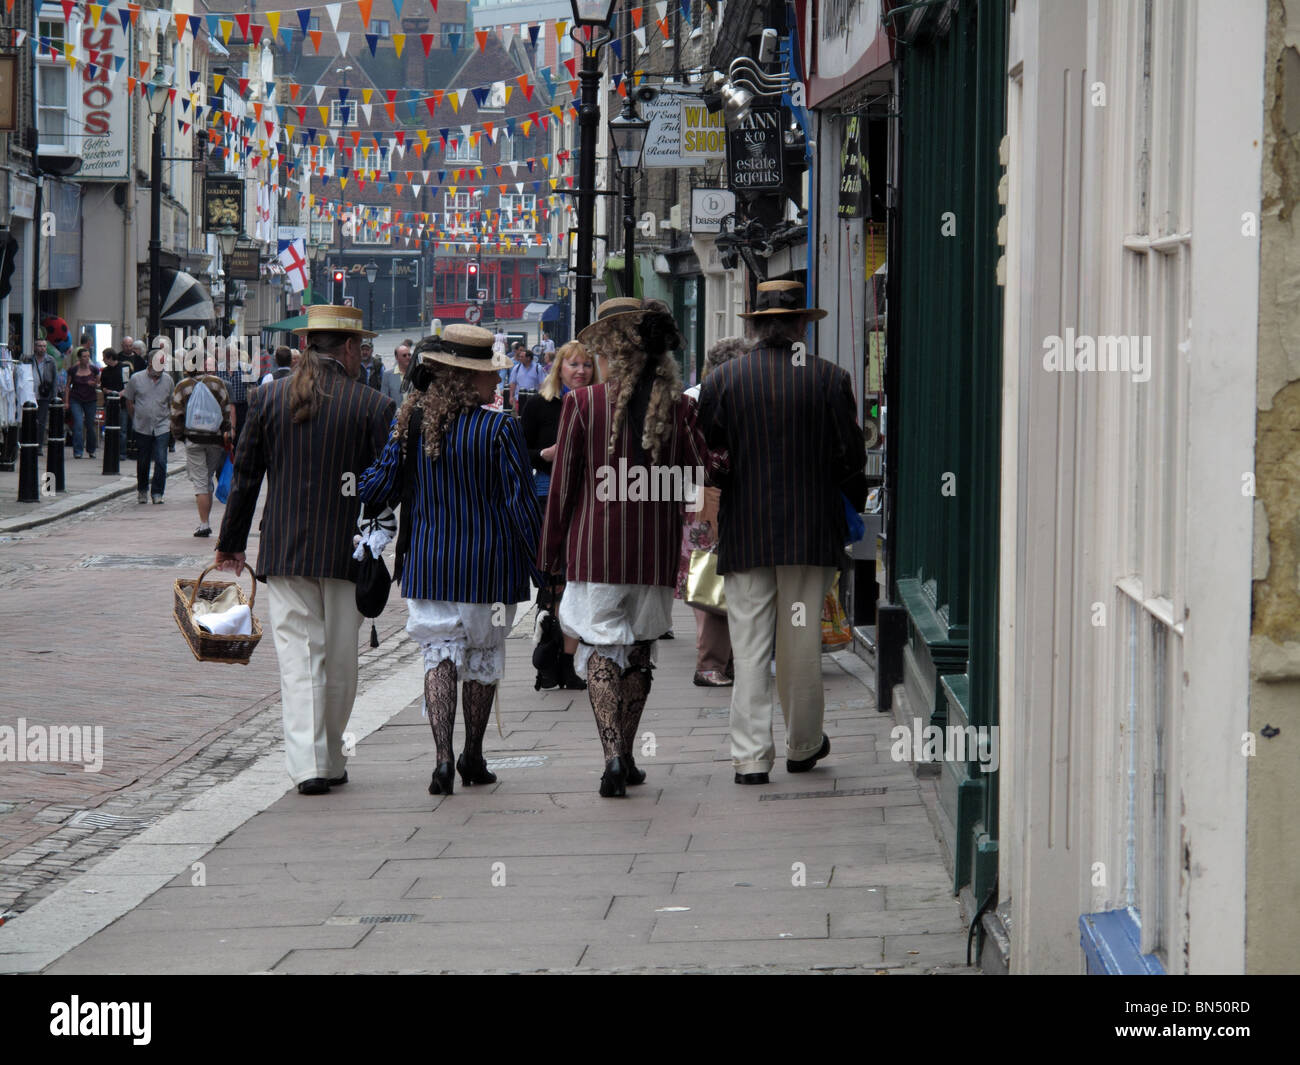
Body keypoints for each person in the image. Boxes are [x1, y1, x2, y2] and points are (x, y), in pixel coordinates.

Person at [538, 298, 723, 797]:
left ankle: (613, 756)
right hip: (653, 551)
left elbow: (564, 487)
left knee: (600, 645)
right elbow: (699, 475)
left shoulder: (583, 404)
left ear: (614, 357)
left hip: (594, 548)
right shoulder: (682, 408)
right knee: (639, 650)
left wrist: (549, 552)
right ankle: (628, 751)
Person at [215, 305, 394, 796]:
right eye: (362, 347)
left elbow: (246, 478)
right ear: (351, 348)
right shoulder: (372, 405)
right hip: (348, 550)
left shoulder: (268, 399)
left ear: (306, 347)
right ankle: (330, 755)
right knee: (340, 660)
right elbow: (386, 485)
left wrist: (231, 543)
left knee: (299, 659)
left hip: (286, 549)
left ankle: (311, 762)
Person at [697, 281, 869, 786]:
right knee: (800, 644)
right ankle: (803, 745)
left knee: (748, 646)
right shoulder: (829, 379)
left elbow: (712, 460)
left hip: (748, 533)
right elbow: (851, 460)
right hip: (811, 534)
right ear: (800, 326)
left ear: (752, 326)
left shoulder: (724, 380)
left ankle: (751, 758)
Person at [359, 326, 540, 797]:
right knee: (482, 657)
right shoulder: (500, 427)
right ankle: (472, 756)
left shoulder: (412, 425)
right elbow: (520, 503)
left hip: (429, 563)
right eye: (487, 376)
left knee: (438, 656)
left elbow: (376, 488)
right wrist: (544, 566)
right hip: (489, 567)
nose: (495, 384)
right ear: (466, 379)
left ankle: (441, 760)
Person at [521, 340, 597, 690]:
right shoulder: (540, 405)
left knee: (576, 582)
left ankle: (569, 661)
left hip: (587, 500)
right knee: (552, 583)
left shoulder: (599, 404)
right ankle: (548, 659)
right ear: (559, 369)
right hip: (547, 498)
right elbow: (521, 454)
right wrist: (545, 455)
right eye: (574, 365)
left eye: (587, 365)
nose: (581, 371)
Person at [677, 337, 747, 686]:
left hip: (709, 493)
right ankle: (711, 663)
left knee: (720, 576)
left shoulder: (701, 396)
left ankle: (724, 660)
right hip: (707, 492)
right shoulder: (701, 398)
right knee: (710, 574)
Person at [170, 354, 235, 537]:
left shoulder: (182, 386)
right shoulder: (217, 383)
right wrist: (227, 432)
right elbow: (226, 410)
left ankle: (204, 523)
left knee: (200, 482)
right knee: (207, 479)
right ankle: (205, 521)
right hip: (215, 440)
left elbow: (176, 415)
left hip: (193, 440)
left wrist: (180, 436)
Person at [124, 351, 174, 503]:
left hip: (162, 425)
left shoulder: (168, 380)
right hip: (142, 426)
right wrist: (136, 418)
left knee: (161, 460)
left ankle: (157, 492)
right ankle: (142, 490)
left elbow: (171, 402)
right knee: (143, 460)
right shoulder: (136, 379)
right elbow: (129, 401)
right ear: (150, 363)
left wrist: (171, 420)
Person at [64, 346, 100, 459]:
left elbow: (98, 383)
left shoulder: (94, 369)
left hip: (90, 399)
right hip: (76, 399)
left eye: (88, 356)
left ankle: (91, 449)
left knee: (90, 425)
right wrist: (66, 402)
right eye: (84, 356)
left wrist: (94, 384)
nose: (87, 358)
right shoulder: (73, 370)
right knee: (78, 424)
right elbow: (67, 386)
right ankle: (78, 450)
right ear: (79, 358)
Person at [25, 339, 57, 456]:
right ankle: (27, 443)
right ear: (35, 347)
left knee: (41, 422)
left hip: (44, 395)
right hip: (29, 394)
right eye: (40, 346)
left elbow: (54, 380)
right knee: (28, 420)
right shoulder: (28, 359)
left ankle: (38, 446)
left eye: (44, 346)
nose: (42, 348)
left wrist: (54, 397)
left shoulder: (51, 361)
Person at [219, 341, 250, 453]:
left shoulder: (244, 368)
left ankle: (237, 455)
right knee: (226, 433)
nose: (231, 358)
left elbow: (252, 386)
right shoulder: (219, 369)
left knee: (240, 433)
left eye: (234, 355)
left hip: (241, 406)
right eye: (229, 355)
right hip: (224, 407)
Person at [99, 348, 129, 454]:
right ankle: (110, 451)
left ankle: (121, 452)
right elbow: (102, 386)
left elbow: (128, 385)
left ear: (110, 358)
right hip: (109, 403)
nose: (103, 360)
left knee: (122, 429)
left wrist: (119, 394)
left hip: (122, 403)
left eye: (104, 358)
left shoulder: (124, 368)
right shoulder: (105, 371)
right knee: (109, 427)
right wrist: (106, 390)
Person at [508, 344, 545, 414]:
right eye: (519, 356)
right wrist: (511, 396)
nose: (519, 358)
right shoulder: (516, 368)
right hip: (518, 399)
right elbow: (513, 383)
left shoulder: (538, 368)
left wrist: (541, 398)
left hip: (533, 400)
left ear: (528, 358)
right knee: (518, 418)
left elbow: (542, 384)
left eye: (522, 357)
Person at [380, 341, 411, 405]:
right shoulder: (387, 375)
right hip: (396, 413)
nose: (408, 357)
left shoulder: (415, 373)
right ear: (397, 358)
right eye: (404, 355)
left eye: (409, 355)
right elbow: (384, 398)